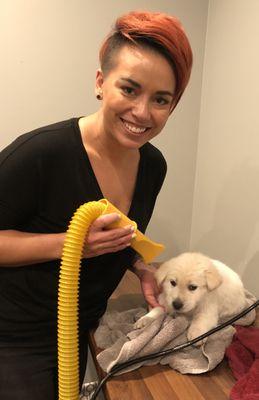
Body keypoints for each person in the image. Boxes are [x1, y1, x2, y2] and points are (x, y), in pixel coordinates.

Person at [0, 10, 192, 400]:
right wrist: (72, 244)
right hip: (15, 336)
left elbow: (120, 233)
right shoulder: (40, 153)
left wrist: (140, 266)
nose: (142, 112)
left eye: (160, 99)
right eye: (130, 89)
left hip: (81, 326)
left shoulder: (153, 165)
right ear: (101, 83)